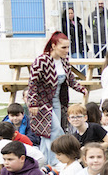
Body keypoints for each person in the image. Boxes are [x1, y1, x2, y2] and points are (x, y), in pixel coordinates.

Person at [26, 32, 87, 166]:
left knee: (46, 135)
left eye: (67, 47)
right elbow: (32, 84)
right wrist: (33, 103)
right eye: (63, 48)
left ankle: (42, 162)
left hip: (57, 102)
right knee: (55, 130)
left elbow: (71, 79)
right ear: (53, 46)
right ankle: (56, 161)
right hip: (42, 103)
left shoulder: (64, 61)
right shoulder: (41, 61)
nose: (66, 51)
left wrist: (82, 89)